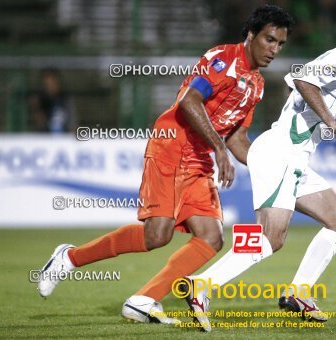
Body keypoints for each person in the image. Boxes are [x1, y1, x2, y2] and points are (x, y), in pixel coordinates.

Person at [36, 4, 293, 325]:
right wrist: (219, 149)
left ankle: (143, 299)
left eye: (280, 44)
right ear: (252, 35)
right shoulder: (223, 60)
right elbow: (188, 100)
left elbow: (237, 139)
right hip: (172, 146)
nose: (274, 49)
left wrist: (267, 167)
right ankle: (69, 258)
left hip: (198, 160)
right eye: (269, 40)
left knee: (211, 238)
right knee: (157, 236)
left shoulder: (256, 85)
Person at [184, 10, 336, 331]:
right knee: (271, 238)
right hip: (281, 153)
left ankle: (299, 294)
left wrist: (309, 120)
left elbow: (297, 88)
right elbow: (302, 78)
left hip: (294, 157)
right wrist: (333, 123)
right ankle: (202, 285)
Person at [29, 68, 76, 133]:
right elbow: (40, 124)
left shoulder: (65, 99)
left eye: (52, 83)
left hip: (64, 137)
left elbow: (72, 123)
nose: (50, 87)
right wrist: (36, 108)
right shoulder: (41, 100)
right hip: (46, 138)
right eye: (47, 84)